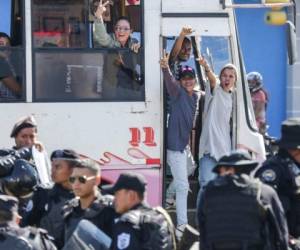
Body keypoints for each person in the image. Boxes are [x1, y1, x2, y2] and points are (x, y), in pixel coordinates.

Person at [198, 149, 289, 250]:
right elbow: (281, 236)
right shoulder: (265, 192)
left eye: (222, 170)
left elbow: (203, 234)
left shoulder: (207, 193)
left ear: (230, 170)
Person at [159, 50, 198, 239]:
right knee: (183, 186)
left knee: (190, 168)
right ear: (181, 81)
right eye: (185, 78)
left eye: (191, 77)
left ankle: (167, 197)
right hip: (174, 147)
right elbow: (170, 83)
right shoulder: (177, 93)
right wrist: (166, 69)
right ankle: (182, 227)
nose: (188, 80)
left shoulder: (195, 96)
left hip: (184, 147)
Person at [255, 117, 300, 247]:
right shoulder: (273, 170)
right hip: (277, 240)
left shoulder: (294, 166)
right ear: (296, 150)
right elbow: (263, 207)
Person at [23, 149, 80, 249]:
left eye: (57, 167)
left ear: (73, 170)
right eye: (52, 166)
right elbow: (24, 225)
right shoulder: (43, 192)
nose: (52, 170)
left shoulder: (83, 198)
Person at [109, 172, 175, 250]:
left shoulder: (128, 222)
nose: (114, 199)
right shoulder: (163, 218)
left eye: (117, 194)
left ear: (131, 195)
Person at [198, 63, 237, 194]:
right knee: (206, 189)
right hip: (209, 150)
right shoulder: (216, 91)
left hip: (224, 152)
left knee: (222, 192)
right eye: (224, 76)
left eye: (231, 76)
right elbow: (212, 80)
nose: (227, 79)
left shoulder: (234, 98)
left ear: (235, 80)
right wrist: (207, 68)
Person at [93, 1, 142, 100]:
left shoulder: (135, 43)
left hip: (131, 89)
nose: (121, 31)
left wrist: (137, 53)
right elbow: (103, 38)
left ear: (131, 31)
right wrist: (98, 16)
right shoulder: (111, 40)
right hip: (113, 88)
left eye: (125, 29)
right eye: (118, 28)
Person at [63, 158, 116, 244]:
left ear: (97, 180)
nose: (76, 184)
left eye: (81, 179)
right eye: (72, 179)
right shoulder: (69, 209)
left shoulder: (110, 210)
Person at [10, 115, 52, 184]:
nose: (28, 141)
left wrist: (40, 156)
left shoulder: (39, 156)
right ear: (15, 137)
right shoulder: (8, 159)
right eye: (24, 136)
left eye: (32, 137)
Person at [0, 32, 22, 100]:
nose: (5, 47)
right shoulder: (1, 64)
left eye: (7, 44)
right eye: (1, 44)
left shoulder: (8, 63)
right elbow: (18, 90)